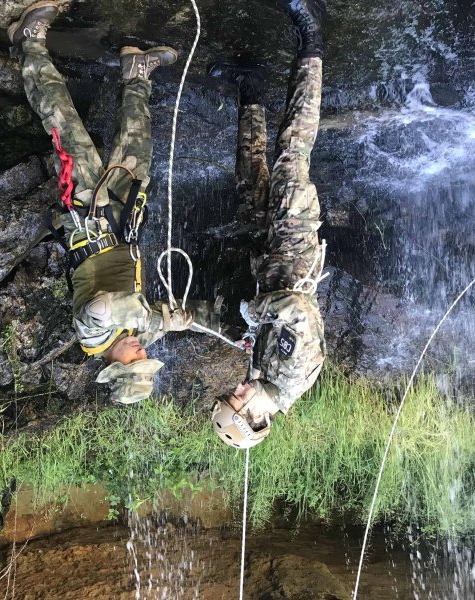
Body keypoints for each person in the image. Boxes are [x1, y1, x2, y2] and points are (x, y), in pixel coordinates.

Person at [9, 1, 229, 404]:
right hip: (124, 224)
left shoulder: (92, 337)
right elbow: (184, 318)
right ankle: (136, 73)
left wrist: (152, 316)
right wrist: (221, 323)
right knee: (137, 148)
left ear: (115, 365)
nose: (142, 353)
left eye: (135, 360)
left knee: (65, 125)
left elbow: (101, 307)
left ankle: (28, 43)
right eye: (145, 359)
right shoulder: (141, 334)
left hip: (87, 216)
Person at [209, 0, 327, 448]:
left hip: (269, 254)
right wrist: (255, 313)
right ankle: (312, 39)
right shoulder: (291, 377)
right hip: (294, 247)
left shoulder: (262, 377)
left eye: (231, 393)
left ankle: (251, 87)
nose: (237, 388)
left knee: (248, 181)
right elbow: (298, 310)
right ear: (257, 417)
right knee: (291, 151)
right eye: (237, 399)